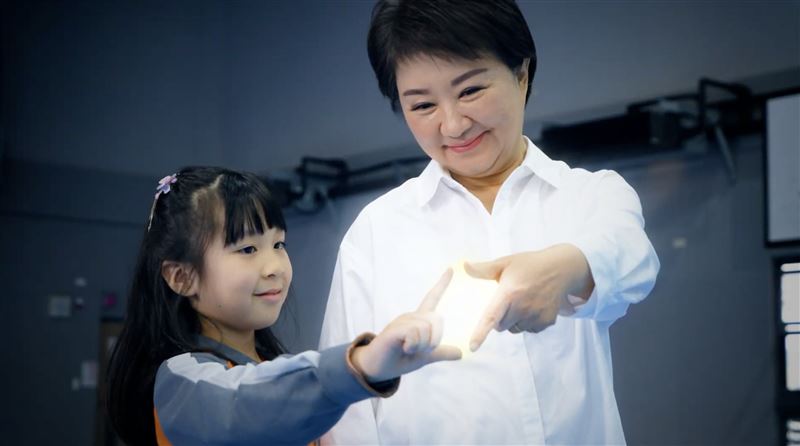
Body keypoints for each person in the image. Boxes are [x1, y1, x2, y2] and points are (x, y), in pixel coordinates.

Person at [318, 0, 660, 444]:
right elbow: (347, 411)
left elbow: (633, 259)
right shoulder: (375, 232)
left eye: (470, 91)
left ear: (522, 74)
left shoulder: (589, 195)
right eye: (423, 105)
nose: (453, 125)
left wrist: (566, 268)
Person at [106, 166, 461, 445]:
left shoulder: (273, 365)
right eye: (248, 249)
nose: (275, 267)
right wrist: (360, 364)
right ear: (182, 277)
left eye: (279, 244)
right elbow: (248, 402)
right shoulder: (183, 379)